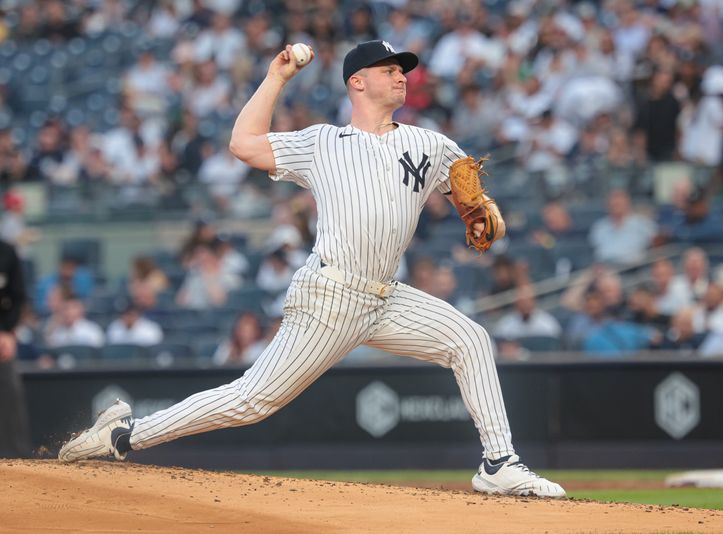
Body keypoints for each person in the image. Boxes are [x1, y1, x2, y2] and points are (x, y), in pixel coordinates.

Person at [58, 40, 566, 498]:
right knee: (251, 401)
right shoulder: (323, 142)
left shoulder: (428, 144)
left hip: (386, 297)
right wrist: (276, 77)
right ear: (357, 81)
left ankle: (499, 463)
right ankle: (126, 434)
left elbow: (469, 194)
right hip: (331, 295)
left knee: (470, 339)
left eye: (402, 69)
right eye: (388, 68)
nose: (400, 75)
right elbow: (243, 144)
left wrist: (479, 209)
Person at [0, 239, 32, 457]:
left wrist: (7, 332)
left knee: (8, 391)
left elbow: (18, 296)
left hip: (1, 336)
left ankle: (15, 458)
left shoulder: (7, 252)